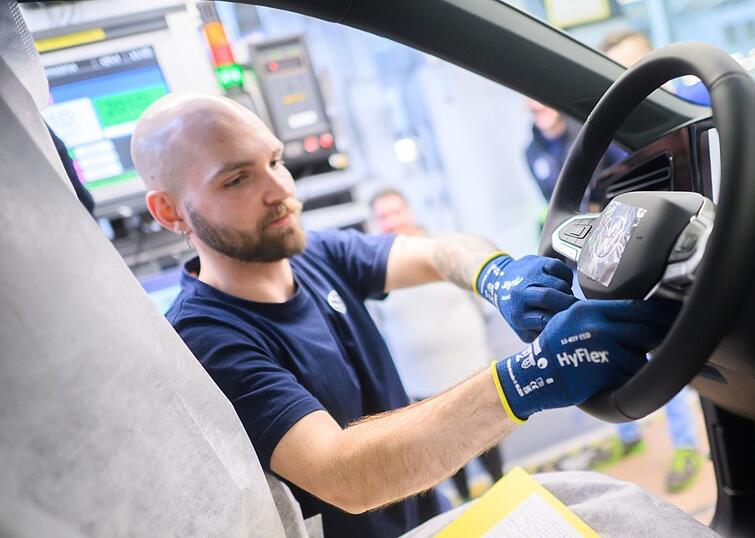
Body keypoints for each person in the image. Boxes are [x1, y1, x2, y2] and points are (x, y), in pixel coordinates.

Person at [131, 92, 677, 537]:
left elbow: (437, 252)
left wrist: (497, 275)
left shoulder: (314, 253)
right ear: (169, 210)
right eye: (236, 179)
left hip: (428, 517)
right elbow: (343, 474)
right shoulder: (206, 338)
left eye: (274, 161)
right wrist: (533, 375)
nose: (280, 190)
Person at [521, 30, 705, 494]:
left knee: (655, 341)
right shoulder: (532, 150)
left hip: (631, 246)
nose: (536, 104)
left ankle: (686, 445)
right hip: (586, 254)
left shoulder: (597, 130)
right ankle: (628, 435)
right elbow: (556, 204)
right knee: (596, 340)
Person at [367, 187, 504, 502]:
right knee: (446, 452)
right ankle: (465, 503)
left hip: (470, 370)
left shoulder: (445, 249)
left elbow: (478, 301)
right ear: (375, 222)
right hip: (422, 382)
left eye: (396, 212)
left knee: (487, 439)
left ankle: (506, 496)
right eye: (383, 216)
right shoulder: (372, 273)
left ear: (409, 211)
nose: (391, 221)